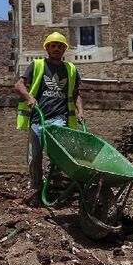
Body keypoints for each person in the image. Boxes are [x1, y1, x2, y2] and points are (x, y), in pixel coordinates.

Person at [14, 32, 84, 195]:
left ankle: (55, 183)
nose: (56, 49)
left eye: (60, 46)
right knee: (34, 157)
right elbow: (19, 84)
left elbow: (75, 93)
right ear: (47, 48)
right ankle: (37, 187)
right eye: (53, 46)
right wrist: (29, 97)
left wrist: (80, 111)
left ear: (64, 49)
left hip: (59, 118)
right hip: (38, 118)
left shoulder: (71, 69)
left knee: (58, 154)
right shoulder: (37, 65)